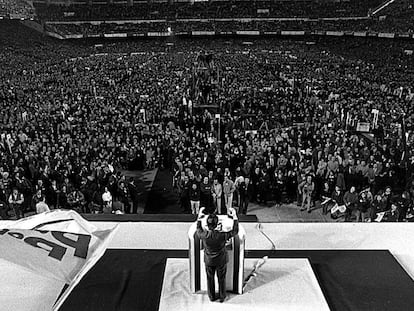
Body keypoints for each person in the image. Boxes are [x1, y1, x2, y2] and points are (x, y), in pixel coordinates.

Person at [196, 207, 239, 303]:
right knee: (221, 278)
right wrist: (235, 216)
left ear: (207, 224)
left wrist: (199, 217)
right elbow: (235, 231)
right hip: (221, 260)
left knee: (209, 279)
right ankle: (222, 296)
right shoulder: (222, 235)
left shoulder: (204, 235)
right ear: (217, 224)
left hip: (209, 261)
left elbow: (198, 229)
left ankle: (211, 297)